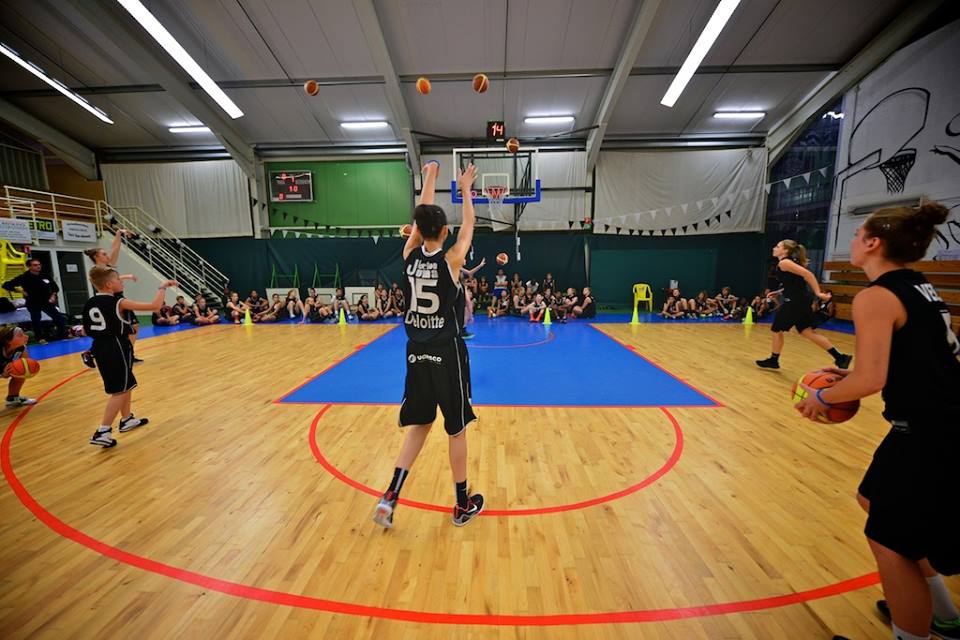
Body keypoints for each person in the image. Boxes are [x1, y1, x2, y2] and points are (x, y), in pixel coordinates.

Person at [794, 203, 960, 640]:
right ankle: (943, 614)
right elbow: (918, 354)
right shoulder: (918, 285)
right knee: (873, 500)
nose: (851, 241)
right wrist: (850, 374)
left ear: (873, 243)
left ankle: (920, 628)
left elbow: (872, 379)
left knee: (890, 541)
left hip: (931, 431)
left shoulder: (876, 296)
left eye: (856, 234)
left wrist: (821, 397)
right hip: (938, 423)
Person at [372, 161, 484, 529]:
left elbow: (421, 217)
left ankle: (390, 496)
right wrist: (465, 188)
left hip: (415, 353)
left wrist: (430, 175)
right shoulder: (452, 261)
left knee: (420, 425)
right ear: (445, 231)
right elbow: (469, 227)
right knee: (456, 428)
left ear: (417, 230)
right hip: (446, 354)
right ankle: (461, 504)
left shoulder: (409, 257)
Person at [84, 266, 177, 448]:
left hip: (100, 347)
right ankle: (103, 431)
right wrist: (163, 287)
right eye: (118, 280)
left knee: (126, 384)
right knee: (120, 390)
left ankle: (126, 419)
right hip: (116, 346)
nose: (121, 282)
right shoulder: (118, 302)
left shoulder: (90, 302)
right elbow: (155, 307)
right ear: (109, 284)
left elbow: (87, 330)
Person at [756, 240, 852, 370]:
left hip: (796, 302)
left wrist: (818, 293)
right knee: (807, 331)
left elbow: (808, 275)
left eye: (778, 246)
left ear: (785, 250)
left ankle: (773, 360)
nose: (774, 248)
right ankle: (840, 357)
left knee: (776, 329)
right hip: (801, 300)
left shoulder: (784, 263)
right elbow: (794, 283)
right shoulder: (788, 263)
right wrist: (778, 292)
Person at [82, 230, 141, 364]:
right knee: (118, 329)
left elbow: (115, 249)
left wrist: (119, 233)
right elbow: (106, 282)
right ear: (96, 257)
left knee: (131, 326)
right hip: (109, 301)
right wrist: (125, 276)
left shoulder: (108, 266)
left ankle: (127, 353)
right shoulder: (96, 271)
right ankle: (124, 354)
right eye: (104, 254)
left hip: (117, 299)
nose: (107, 255)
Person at [2, 258, 67, 343]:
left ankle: (63, 335)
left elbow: (55, 287)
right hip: (33, 301)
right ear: (29, 266)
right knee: (36, 320)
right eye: (35, 265)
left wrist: (53, 295)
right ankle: (40, 338)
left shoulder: (45, 275)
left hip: (46, 301)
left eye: (39, 265)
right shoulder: (24, 277)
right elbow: (6, 285)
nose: (38, 266)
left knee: (58, 317)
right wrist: (20, 290)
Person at [0, 325, 37, 407]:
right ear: (8, 340)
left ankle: (12, 398)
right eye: (20, 335)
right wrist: (2, 375)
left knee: (22, 370)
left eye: (24, 333)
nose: (26, 336)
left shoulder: (21, 348)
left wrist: (30, 369)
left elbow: (25, 365)